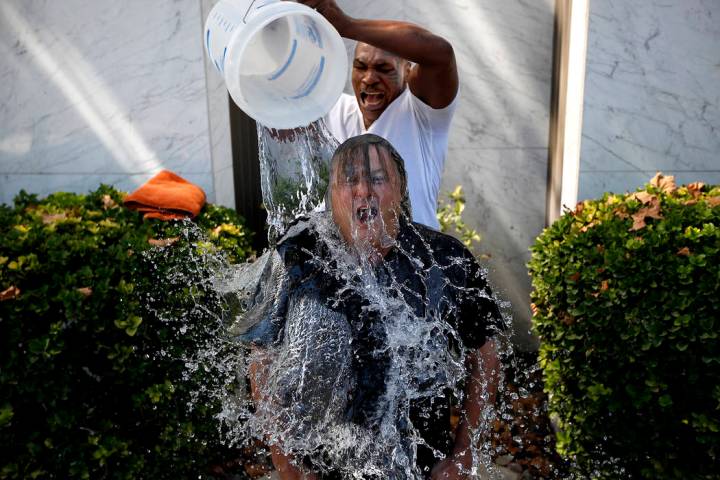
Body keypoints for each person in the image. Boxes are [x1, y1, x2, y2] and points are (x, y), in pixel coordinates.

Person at [236, 134, 502, 479]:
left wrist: (465, 453)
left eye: (377, 178)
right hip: (322, 468)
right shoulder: (297, 256)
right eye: (350, 180)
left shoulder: (443, 260)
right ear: (332, 194)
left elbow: (486, 352)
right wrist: (286, 463)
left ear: (401, 187)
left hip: (418, 466)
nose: (364, 191)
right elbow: (262, 357)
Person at [298, 0, 459, 230]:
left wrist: (346, 25)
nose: (369, 78)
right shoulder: (335, 108)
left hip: (413, 260)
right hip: (347, 259)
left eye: (384, 69)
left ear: (407, 71)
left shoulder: (422, 114)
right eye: (360, 66)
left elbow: (441, 54)